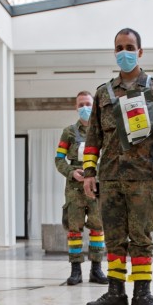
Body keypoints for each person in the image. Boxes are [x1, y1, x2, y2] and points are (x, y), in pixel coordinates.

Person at [82, 28, 153, 305]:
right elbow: (93, 139)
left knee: (141, 238)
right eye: (119, 47)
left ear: (140, 51)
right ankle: (115, 293)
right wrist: (89, 173)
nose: (124, 52)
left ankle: (142, 294)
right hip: (110, 178)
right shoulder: (103, 93)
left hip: (144, 177)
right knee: (113, 237)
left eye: (129, 47)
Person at [55, 91, 107, 285]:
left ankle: (96, 270)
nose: (85, 107)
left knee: (98, 228)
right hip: (74, 189)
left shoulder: (103, 131)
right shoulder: (69, 132)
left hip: (97, 186)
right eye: (81, 104)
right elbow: (59, 159)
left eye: (88, 104)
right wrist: (71, 172)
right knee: (74, 230)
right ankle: (75, 270)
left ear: (95, 106)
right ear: (76, 107)